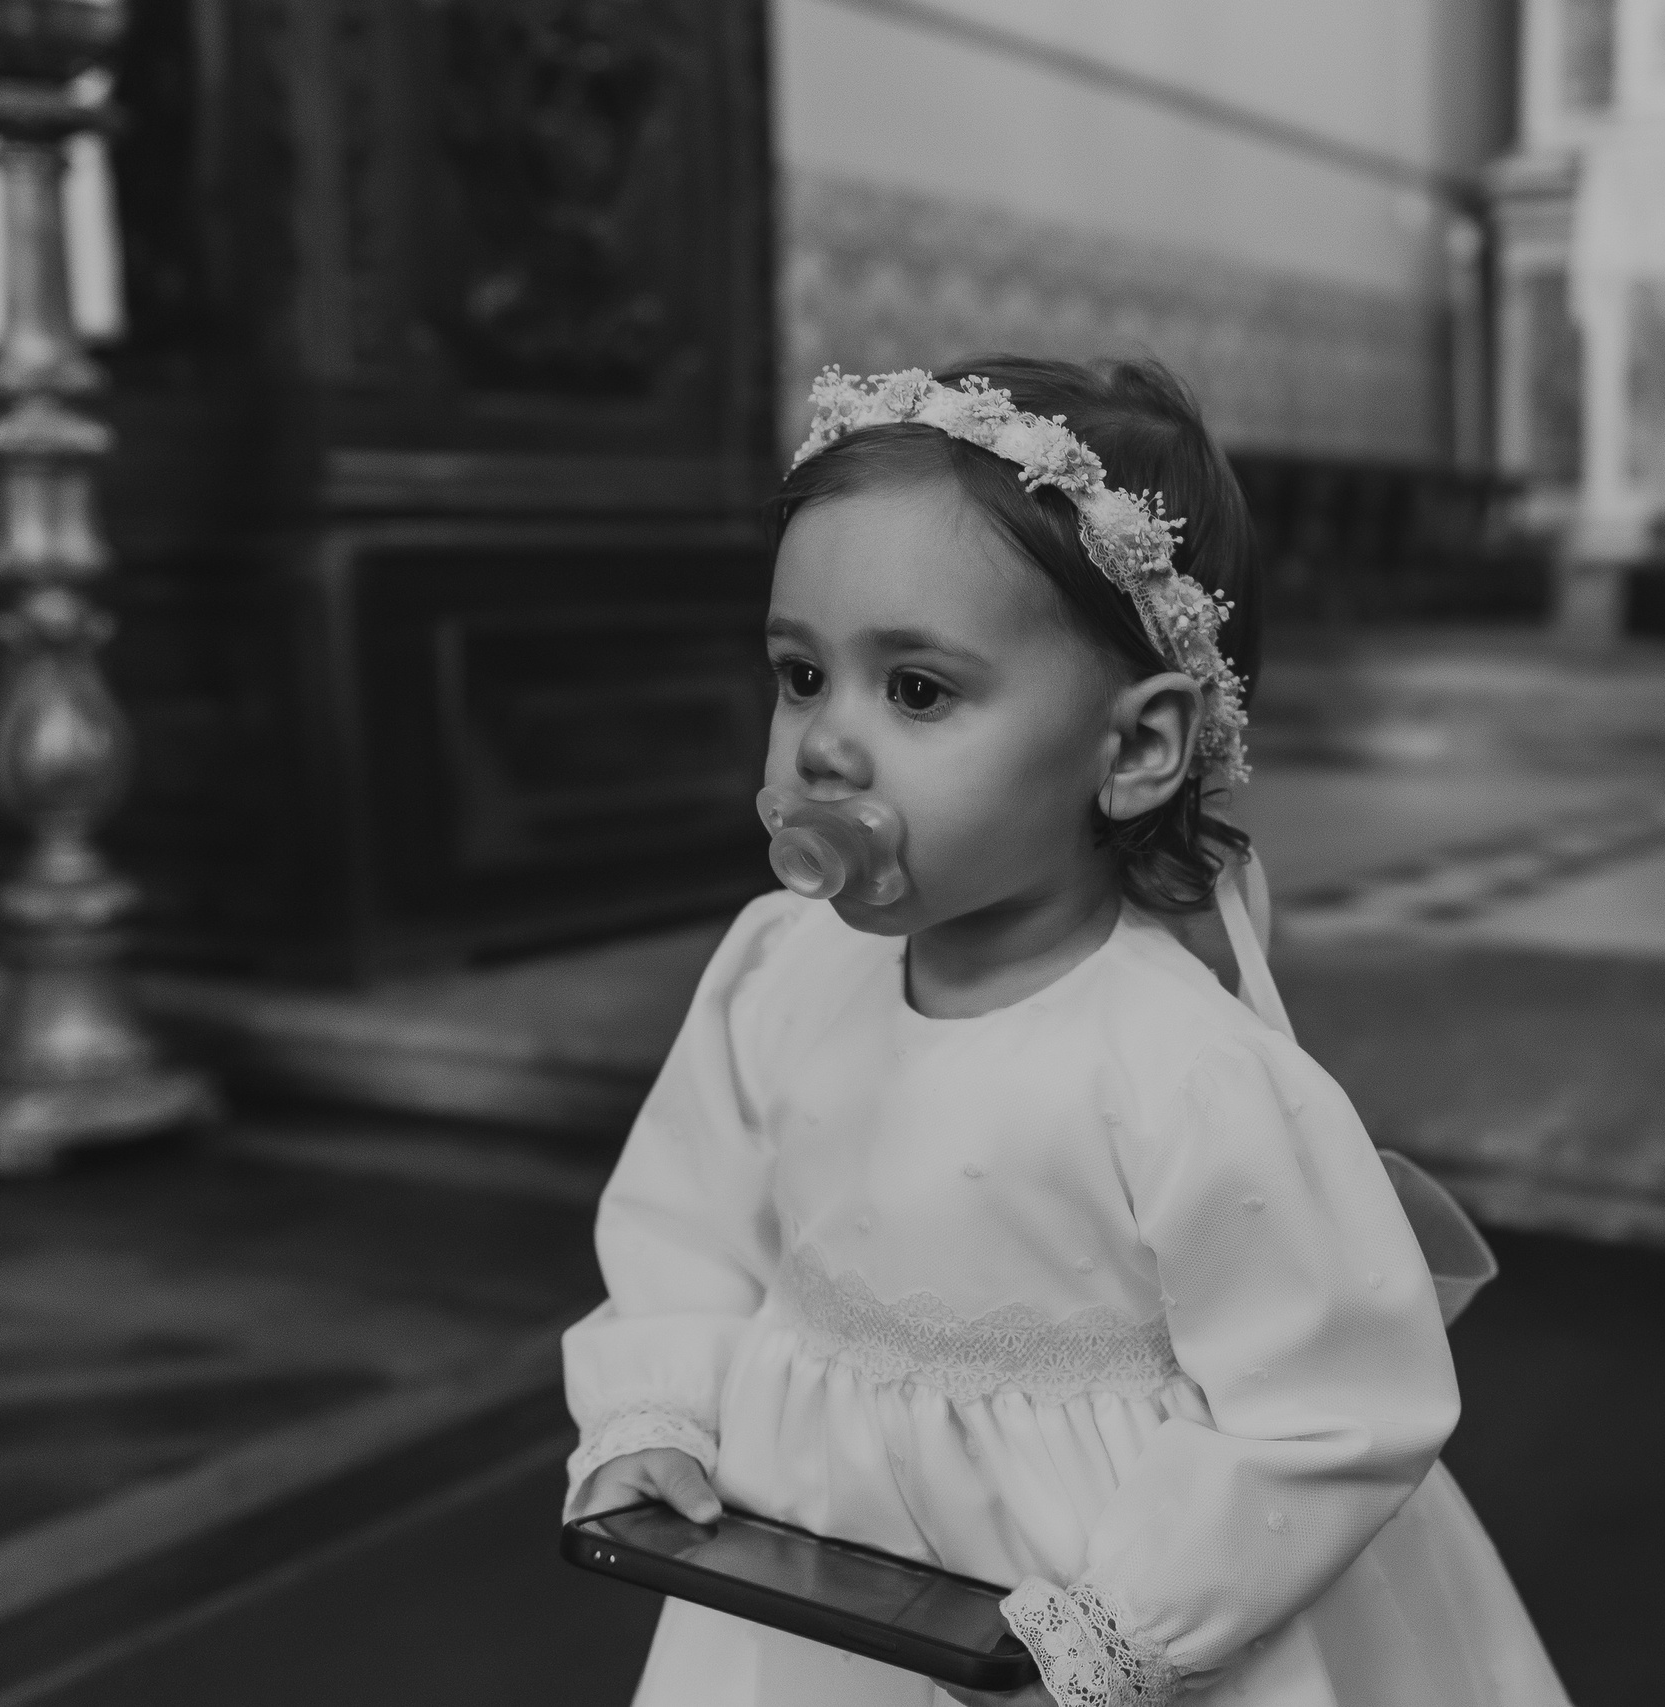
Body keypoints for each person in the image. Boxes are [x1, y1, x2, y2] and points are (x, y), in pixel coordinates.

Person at [563, 356, 1569, 1707]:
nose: (824, 748)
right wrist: (657, 1414)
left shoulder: (1180, 1071)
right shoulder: (778, 971)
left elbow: (1329, 1411)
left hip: (1113, 1598)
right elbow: (685, 1225)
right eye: (802, 674)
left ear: (1138, 748)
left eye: (915, 690)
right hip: (809, 1584)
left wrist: (1120, 1628)